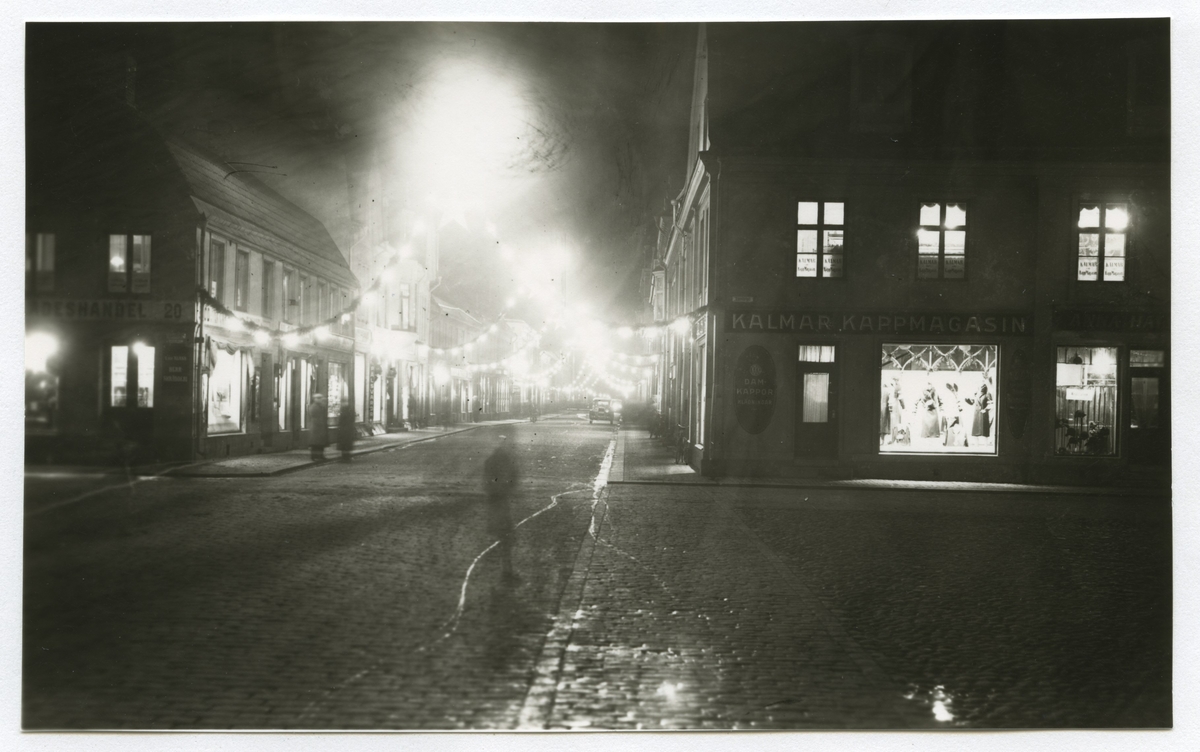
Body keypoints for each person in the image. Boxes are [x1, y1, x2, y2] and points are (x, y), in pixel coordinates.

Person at [482, 434, 520, 581]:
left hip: (495, 499)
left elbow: (487, 481)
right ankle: (505, 570)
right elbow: (513, 476)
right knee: (505, 535)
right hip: (499, 499)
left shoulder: (491, 460)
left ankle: (504, 569)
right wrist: (507, 487)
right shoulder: (504, 459)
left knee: (502, 534)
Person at [307, 393, 328, 461]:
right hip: (316, 427)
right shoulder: (314, 407)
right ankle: (314, 456)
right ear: (315, 399)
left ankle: (320, 455)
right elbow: (315, 416)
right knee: (315, 443)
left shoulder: (321, 406)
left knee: (320, 443)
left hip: (320, 427)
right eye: (318, 398)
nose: (320, 400)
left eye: (320, 398)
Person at [337, 397, 356, 462]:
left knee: (345, 444)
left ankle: (345, 457)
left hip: (345, 429)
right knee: (346, 444)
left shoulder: (345, 409)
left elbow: (342, 420)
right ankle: (346, 457)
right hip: (347, 429)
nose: (342, 403)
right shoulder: (349, 409)